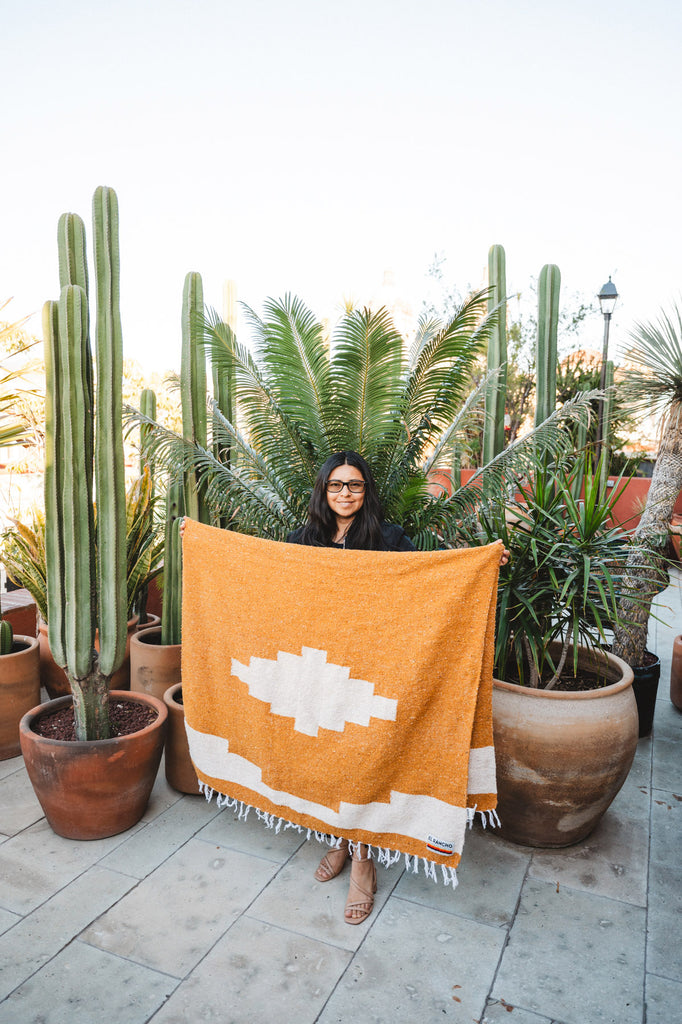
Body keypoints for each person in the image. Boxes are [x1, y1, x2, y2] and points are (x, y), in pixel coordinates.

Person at [287, 450, 509, 925]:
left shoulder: (389, 540)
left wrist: (483, 563)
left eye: (354, 485)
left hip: (371, 671)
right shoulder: (301, 540)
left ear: (366, 491)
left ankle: (362, 859)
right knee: (329, 754)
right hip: (320, 668)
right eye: (335, 485)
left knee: (364, 758)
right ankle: (340, 837)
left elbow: (430, 584)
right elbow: (265, 579)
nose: (345, 493)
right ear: (323, 491)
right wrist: (203, 546)